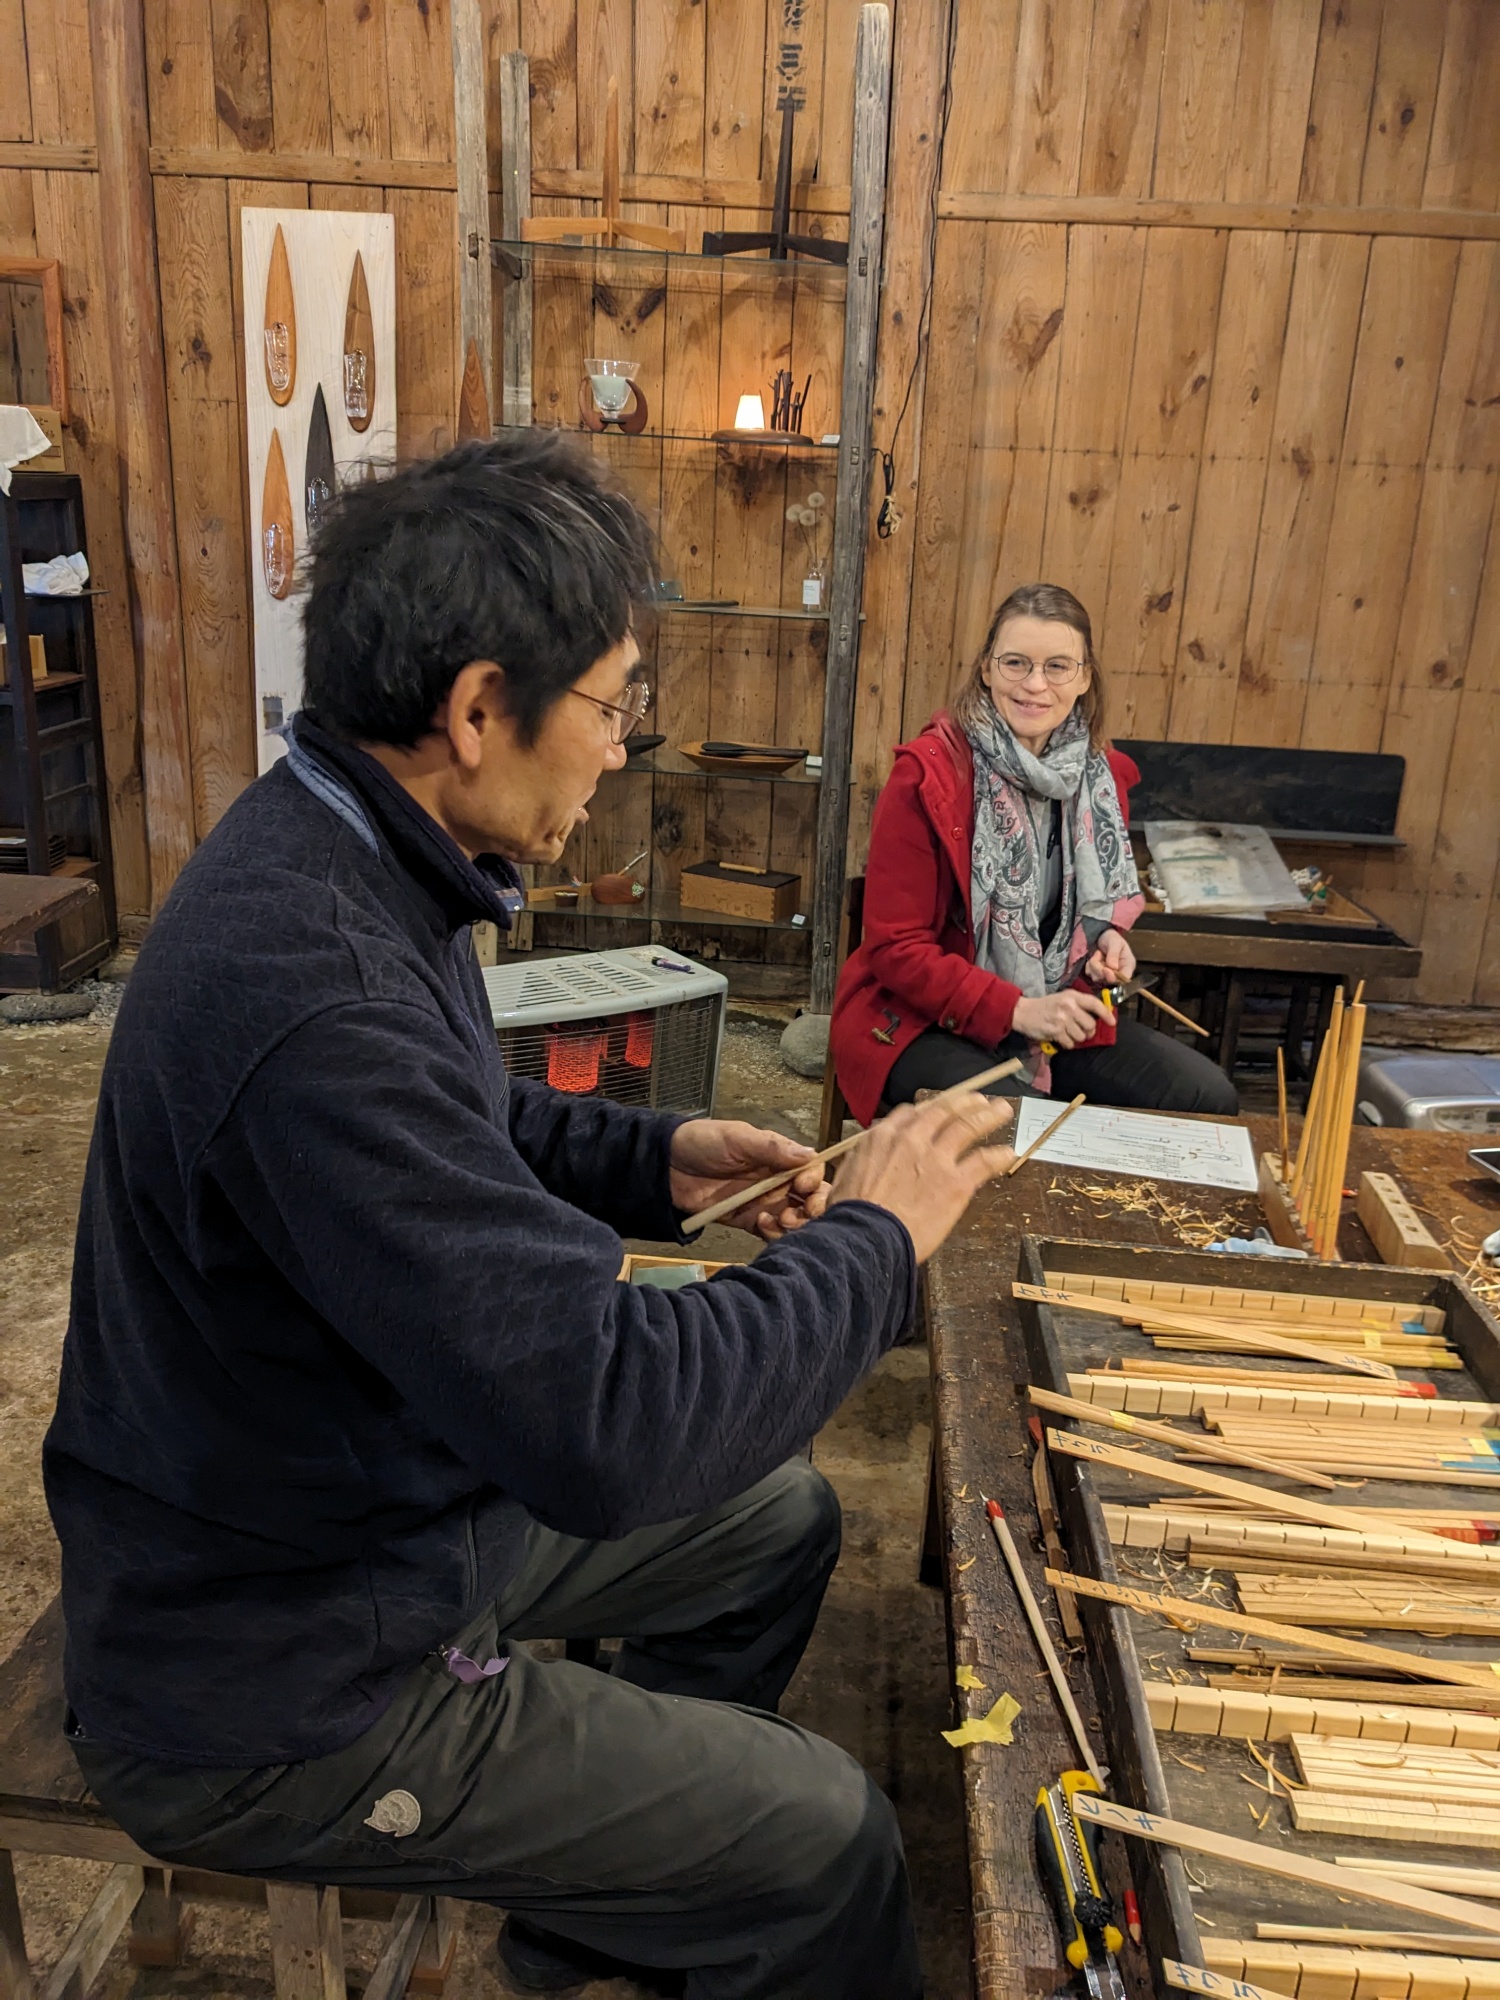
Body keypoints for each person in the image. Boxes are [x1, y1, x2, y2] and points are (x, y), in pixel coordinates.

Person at [43, 433, 1016, 2000]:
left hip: (357, 1525)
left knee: (774, 1524)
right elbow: (611, 1426)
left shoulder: (346, 844)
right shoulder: (314, 985)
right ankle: (678, 1877)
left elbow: (463, 1121)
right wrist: (875, 1239)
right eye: (616, 705)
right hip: (276, 1676)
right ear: (479, 708)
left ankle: (592, 1922)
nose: (625, 749)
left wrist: (653, 1158)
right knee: (832, 1839)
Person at [832, 581, 1239, 1125]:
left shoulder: (1100, 776)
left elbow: (1081, 914)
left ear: (1085, 677)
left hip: (1049, 1017)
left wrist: (1106, 942)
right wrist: (1019, 1010)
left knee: (1205, 1097)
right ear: (985, 668)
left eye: (1057, 667)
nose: (1034, 685)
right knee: (1030, 1127)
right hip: (918, 1020)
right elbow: (896, 949)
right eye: (1016, 663)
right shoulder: (929, 777)